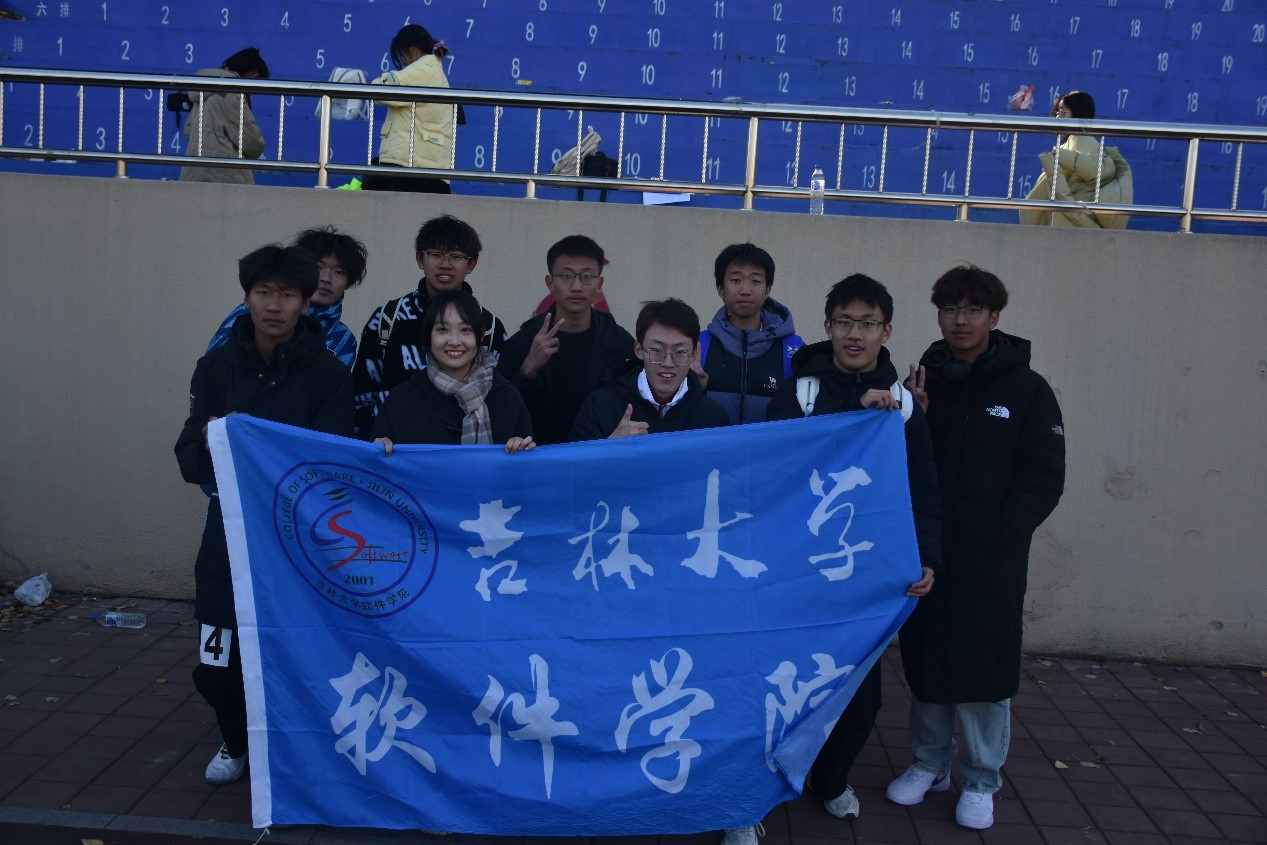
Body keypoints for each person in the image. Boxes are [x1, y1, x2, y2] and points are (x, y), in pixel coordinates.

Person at [716, 276, 940, 845]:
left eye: (867, 323)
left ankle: (831, 780)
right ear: (827, 326)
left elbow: (924, 491)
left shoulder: (904, 407)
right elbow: (773, 470)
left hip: (863, 578)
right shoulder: (802, 393)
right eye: (844, 322)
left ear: (887, 331)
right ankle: (750, 799)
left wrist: (927, 557)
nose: (854, 334)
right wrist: (851, 412)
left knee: (860, 698)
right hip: (794, 573)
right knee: (774, 692)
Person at [886, 265, 1065, 830]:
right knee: (928, 659)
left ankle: (982, 778)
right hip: (930, 551)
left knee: (985, 668)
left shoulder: (1027, 390)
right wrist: (914, 419)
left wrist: (1000, 534)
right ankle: (929, 763)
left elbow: (1044, 477)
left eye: (972, 310)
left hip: (991, 560)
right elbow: (901, 463)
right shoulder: (922, 380)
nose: (959, 321)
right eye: (949, 309)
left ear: (994, 317)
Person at [174, 245, 353, 786]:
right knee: (216, 665)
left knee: (300, 655)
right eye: (263, 292)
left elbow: (332, 461)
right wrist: (215, 440)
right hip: (227, 541)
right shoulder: (216, 366)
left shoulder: (328, 373)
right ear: (247, 297)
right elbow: (188, 457)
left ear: (306, 302)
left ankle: (296, 750)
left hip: (299, 543)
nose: (274, 305)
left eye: (288, 295)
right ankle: (235, 740)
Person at [352, 214, 508, 437]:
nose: (445, 264)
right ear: (419, 259)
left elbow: (500, 396)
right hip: (394, 445)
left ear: (471, 264)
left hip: (462, 447)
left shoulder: (489, 326)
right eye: (436, 254)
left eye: (456, 256)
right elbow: (362, 395)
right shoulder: (388, 318)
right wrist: (369, 443)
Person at [496, 235, 635, 445]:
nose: (577, 286)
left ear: (599, 284)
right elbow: (500, 412)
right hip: (538, 455)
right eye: (566, 276)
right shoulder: (523, 342)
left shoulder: (619, 343)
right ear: (550, 283)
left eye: (587, 276)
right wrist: (527, 370)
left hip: (599, 455)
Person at [372, 290, 533, 453]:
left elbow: (526, 465)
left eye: (465, 330)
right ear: (429, 334)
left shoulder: (507, 398)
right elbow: (376, 463)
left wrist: (522, 450)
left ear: (481, 334)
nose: (454, 341)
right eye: (442, 329)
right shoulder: (401, 401)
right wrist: (378, 450)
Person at [206, 226, 369, 367]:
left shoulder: (343, 338)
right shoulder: (249, 314)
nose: (326, 278)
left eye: (339, 272)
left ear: (349, 282)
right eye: (318, 267)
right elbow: (211, 370)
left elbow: (334, 390)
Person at [569, 298, 727, 441]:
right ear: (638, 350)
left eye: (680, 352)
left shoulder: (713, 419)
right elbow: (574, 461)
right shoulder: (600, 404)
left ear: (693, 353)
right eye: (657, 350)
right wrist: (610, 446)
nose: (668, 363)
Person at [696, 243, 803, 425]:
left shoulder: (792, 349)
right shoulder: (699, 345)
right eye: (736, 280)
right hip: (714, 444)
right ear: (720, 288)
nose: (745, 290)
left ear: (767, 289)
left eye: (756, 281)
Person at [1019, 91, 1133, 229]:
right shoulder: (1073, 145)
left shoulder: (1082, 143)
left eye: (1063, 112)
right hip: (1070, 223)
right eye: (1057, 113)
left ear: (1079, 114)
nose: (1058, 117)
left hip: (1070, 226)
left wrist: (1060, 161)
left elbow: (1098, 171)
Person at [363, 24, 455, 194]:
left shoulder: (423, 69)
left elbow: (379, 90)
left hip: (413, 169)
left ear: (412, 50)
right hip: (426, 168)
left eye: (401, 55)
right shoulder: (432, 70)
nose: (403, 61)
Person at [179, 46, 268, 185]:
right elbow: (251, 141)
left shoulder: (206, 88)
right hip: (223, 174)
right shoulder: (231, 90)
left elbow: (188, 131)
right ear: (254, 76)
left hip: (195, 169)